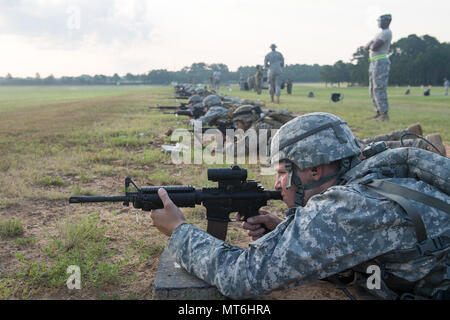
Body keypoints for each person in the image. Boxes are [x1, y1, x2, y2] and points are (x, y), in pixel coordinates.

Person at [151, 112, 450, 300]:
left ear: (314, 171)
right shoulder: (374, 173)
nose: (279, 184)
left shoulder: (347, 208)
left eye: (283, 172)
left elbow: (242, 277)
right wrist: (286, 229)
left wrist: (178, 231)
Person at [365, 14, 393, 121]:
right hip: (374, 62)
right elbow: (366, 47)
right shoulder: (379, 33)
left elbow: (374, 46)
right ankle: (378, 112)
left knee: (379, 87)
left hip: (380, 61)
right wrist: (371, 44)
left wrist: (372, 44)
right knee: (372, 88)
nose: (378, 22)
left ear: (386, 21)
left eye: (380, 20)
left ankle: (384, 113)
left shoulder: (386, 33)